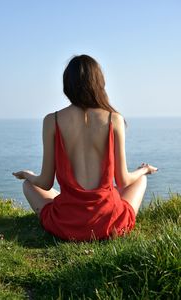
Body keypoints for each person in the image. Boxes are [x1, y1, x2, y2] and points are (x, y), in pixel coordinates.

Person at [12, 54, 158, 241]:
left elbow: (45, 182)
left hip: (66, 225)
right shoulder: (114, 119)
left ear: (67, 85)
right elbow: (123, 181)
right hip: (109, 224)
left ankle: (69, 205)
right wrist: (143, 170)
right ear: (99, 82)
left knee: (28, 186)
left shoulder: (52, 120)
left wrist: (27, 175)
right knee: (140, 180)